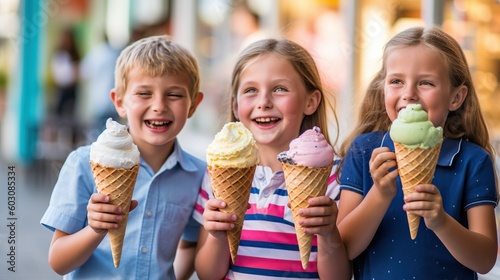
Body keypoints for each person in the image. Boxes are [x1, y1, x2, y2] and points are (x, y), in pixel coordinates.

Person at [336, 26, 498, 279]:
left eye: (426, 83)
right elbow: (342, 249)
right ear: (383, 89)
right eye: (396, 81)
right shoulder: (365, 150)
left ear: (456, 97)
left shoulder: (472, 161)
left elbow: (485, 259)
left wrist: (442, 222)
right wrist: (379, 195)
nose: (408, 94)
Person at [40, 35, 205, 279]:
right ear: (119, 101)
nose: (159, 105)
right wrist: (95, 230)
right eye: (144, 93)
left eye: (174, 95)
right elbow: (58, 261)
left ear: (193, 104)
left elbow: (190, 242)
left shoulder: (199, 175)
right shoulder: (84, 164)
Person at [193, 39, 351, 279]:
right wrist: (217, 235)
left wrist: (329, 234)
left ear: (310, 101)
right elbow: (207, 274)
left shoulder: (335, 178)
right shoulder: (216, 174)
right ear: (235, 106)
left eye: (279, 89)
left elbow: (338, 277)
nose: (264, 102)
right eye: (251, 90)